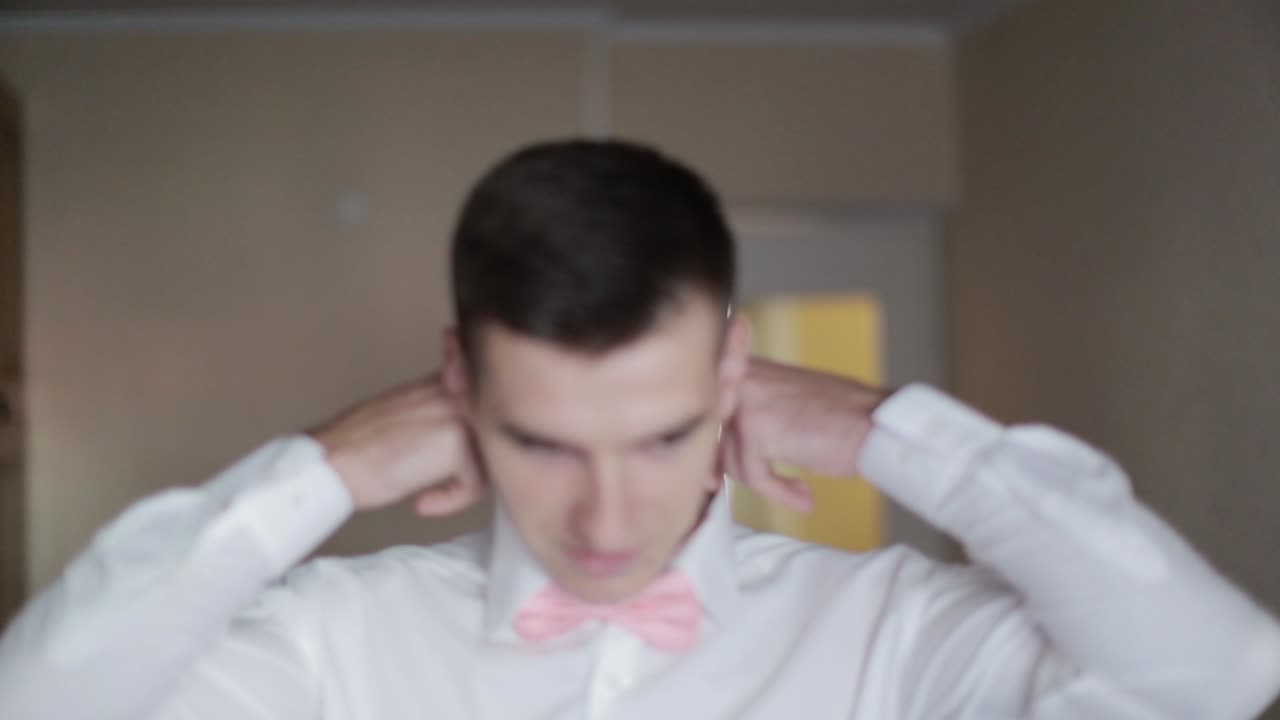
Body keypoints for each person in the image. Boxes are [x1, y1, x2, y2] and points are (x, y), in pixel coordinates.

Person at [0, 140, 1277, 720]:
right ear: (460, 393)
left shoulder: (888, 637)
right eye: (546, 444)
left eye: (661, 439)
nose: (606, 524)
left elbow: (1218, 676)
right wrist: (320, 472)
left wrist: (896, 432)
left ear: (732, 372)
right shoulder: (339, 645)